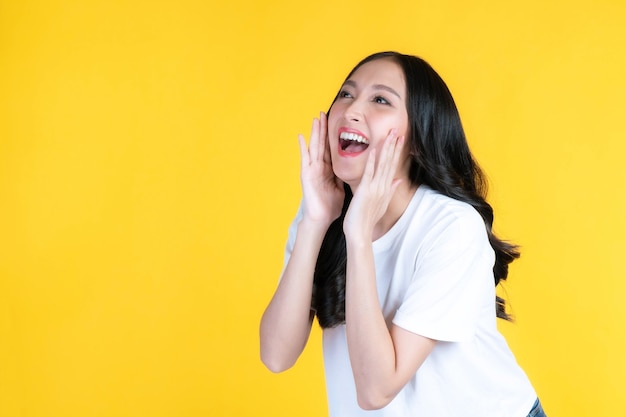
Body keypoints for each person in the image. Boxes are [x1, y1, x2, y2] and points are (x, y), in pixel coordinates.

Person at [259, 51, 546, 417]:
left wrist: (359, 234)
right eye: (346, 94)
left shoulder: (451, 226)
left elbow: (377, 389)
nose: (351, 110)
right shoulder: (322, 210)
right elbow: (276, 355)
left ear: (416, 137)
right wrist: (315, 222)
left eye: (380, 100)